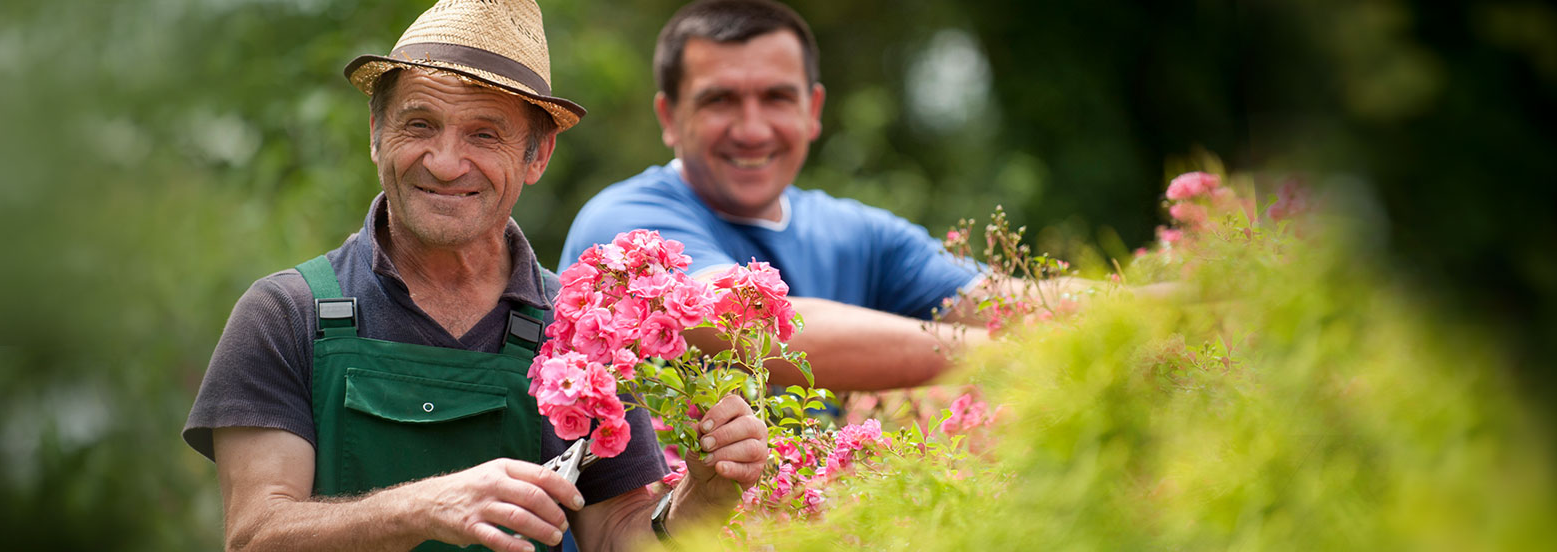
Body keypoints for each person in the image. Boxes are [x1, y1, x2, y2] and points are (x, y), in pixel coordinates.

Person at [183, 2, 768, 551]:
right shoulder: (288, 313)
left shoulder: (587, 329)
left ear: (537, 156)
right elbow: (256, 532)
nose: (444, 162)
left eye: (484, 134)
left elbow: (618, 532)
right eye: (418, 125)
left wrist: (699, 500)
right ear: (375, 133)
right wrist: (422, 506)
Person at [559, 0, 1084, 392]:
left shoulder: (858, 233)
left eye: (776, 98)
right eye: (720, 100)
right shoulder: (625, 226)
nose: (752, 128)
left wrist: (1154, 302)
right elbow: (748, 322)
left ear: (813, 111)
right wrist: (1007, 354)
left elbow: (1005, 302)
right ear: (669, 117)